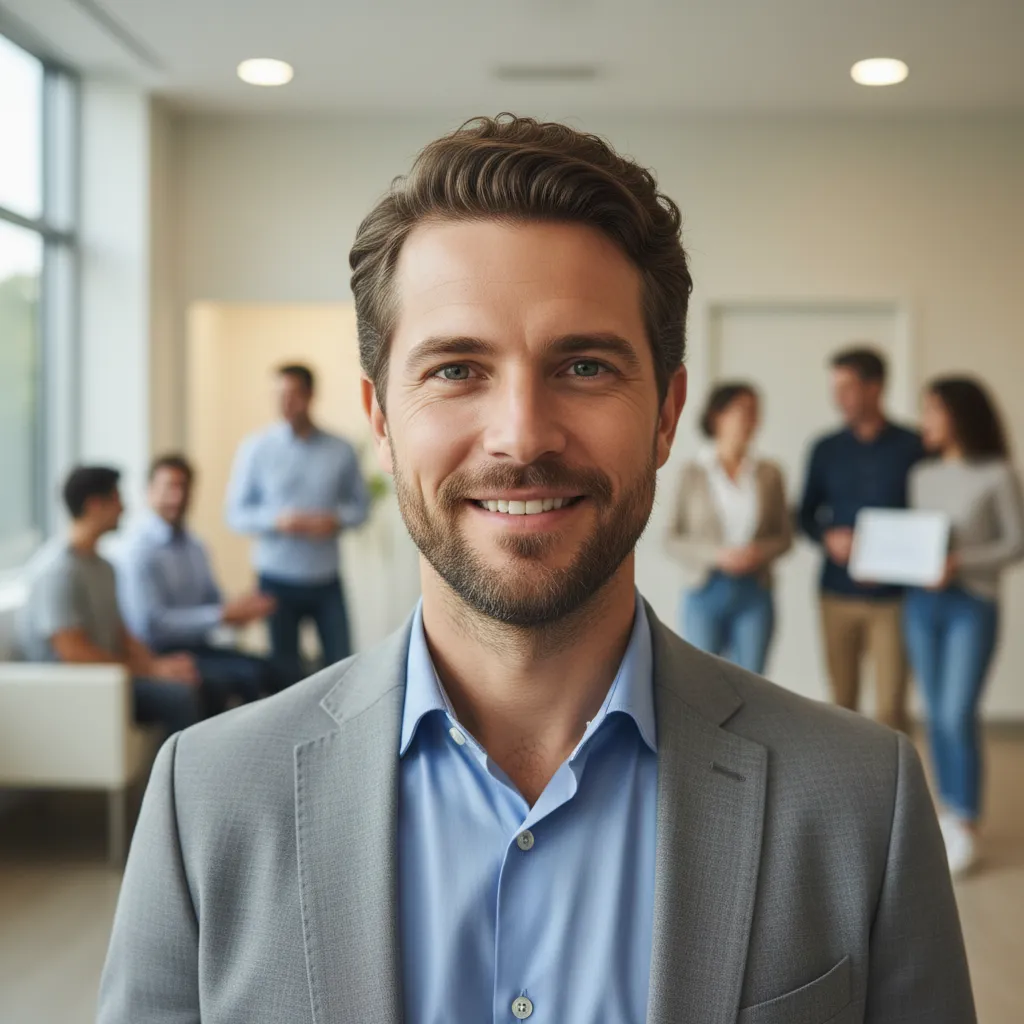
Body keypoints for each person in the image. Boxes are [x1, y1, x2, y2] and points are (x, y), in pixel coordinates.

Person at [99, 116, 974, 1024]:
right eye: (455, 370)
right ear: (382, 417)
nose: (521, 435)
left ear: (668, 414)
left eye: (585, 365)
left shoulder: (863, 802)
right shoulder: (205, 797)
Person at [904, 377, 1024, 876]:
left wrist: (960, 562)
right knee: (933, 713)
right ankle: (949, 811)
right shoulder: (921, 475)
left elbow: (1015, 544)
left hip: (972, 604)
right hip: (921, 605)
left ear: (958, 415)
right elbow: (913, 541)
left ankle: (967, 820)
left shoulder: (996, 473)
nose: (924, 421)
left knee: (957, 712)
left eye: (932, 410)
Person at [17, 466, 200, 737]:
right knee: (180, 697)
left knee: (196, 681)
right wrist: (148, 671)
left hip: (109, 678)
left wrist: (161, 665)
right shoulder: (58, 571)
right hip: (78, 688)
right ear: (94, 505)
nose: (124, 507)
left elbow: (120, 633)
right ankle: (177, 779)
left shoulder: (104, 567)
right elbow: (74, 654)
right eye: (117, 498)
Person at [799, 348, 925, 731]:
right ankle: (848, 791)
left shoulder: (914, 446)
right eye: (835, 388)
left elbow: (928, 520)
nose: (838, 397)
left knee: (891, 709)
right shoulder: (825, 448)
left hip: (894, 598)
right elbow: (805, 514)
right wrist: (827, 538)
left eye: (847, 387)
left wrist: (895, 557)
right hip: (836, 593)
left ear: (876, 387)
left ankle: (897, 790)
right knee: (842, 709)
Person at [225, 364, 370, 680]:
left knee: (341, 668)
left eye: (292, 395)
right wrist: (279, 521)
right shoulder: (256, 448)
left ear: (310, 396)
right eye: (278, 395)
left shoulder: (340, 449)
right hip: (276, 580)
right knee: (284, 675)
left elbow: (361, 508)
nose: (284, 403)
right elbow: (235, 514)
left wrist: (335, 521)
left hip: (326, 580)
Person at [118, 454, 285, 712]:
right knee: (242, 678)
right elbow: (151, 623)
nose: (177, 496)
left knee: (274, 670)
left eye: (183, 487)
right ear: (149, 492)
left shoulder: (196, 547)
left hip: (200, 647)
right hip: (160, 651)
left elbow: (214, 602)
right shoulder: (138, 550)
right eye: (169, 487)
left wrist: (241, 610)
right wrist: (220, 616)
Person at [666, 382, 792, 674]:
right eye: (744, 411)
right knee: (699, 683)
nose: (753, 421)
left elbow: (784, 536)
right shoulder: (692, 473)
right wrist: (717, 555)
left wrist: (758, 552)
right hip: (705, 590)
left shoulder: (769, 474)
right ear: (717, 416)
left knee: (752, 685)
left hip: (755, 591)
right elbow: (671, 538)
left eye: (756, 413)